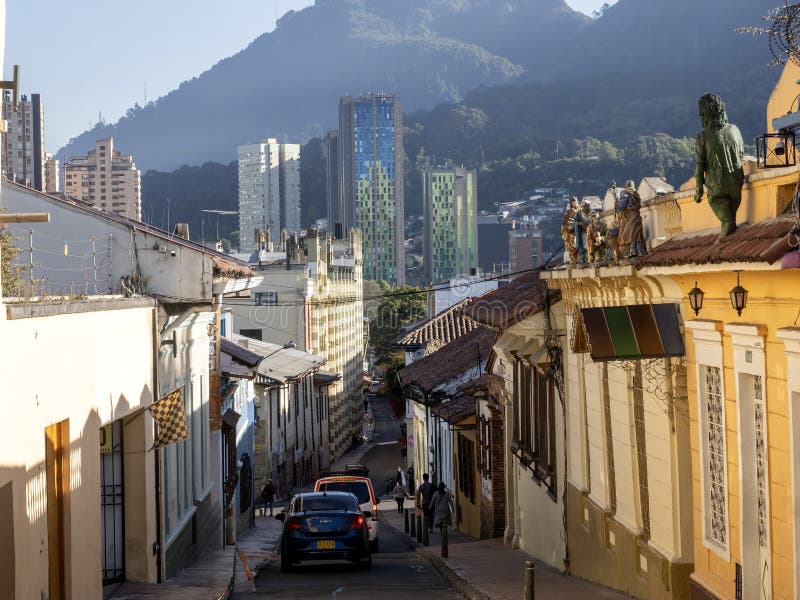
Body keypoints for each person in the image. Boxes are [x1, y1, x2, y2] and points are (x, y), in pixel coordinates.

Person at [694, 93, 745, 239]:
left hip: (716, 185)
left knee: (725, 217)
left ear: (704, 114)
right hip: (736, 180)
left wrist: (698, 191)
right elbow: (741, 154)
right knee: (732, 217)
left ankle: (727, 228)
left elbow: (699, 167)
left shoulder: (702, 137)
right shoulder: (735, 129)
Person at [616, 180, 647, 258]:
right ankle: (636, 251)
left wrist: (617, 204)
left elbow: (621, 206)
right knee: (635, 234)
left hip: (630, 216)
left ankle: (633, 251)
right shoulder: (636, 194)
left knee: (627, 234)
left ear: (625, 186)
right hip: (637, 215)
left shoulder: (625, 194)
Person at [560, 197, 579, 263]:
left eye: (575, 202)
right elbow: (564, 222)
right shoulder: (568, 212)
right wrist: (569, 226)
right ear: (571, 203)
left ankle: (578, 258)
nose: (574, 203)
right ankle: (572, 259)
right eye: (573, 202)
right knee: (572, 245)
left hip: (578, 230)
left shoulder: (579, 211)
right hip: (571, 232)